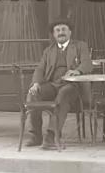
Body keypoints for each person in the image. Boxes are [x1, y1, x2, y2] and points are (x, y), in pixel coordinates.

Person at [26, 18, 93, 150]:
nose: (60, 32)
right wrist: (35, 83)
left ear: (70, 32)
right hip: (53, 85)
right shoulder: (49, 50)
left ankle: (51, 136)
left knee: (63, 94)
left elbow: (87, 63)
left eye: (63, 29)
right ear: (54, 34)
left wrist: (77, 70)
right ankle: (36, 135)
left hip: (73, 86)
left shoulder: (80, 46)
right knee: (33, 93)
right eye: (57, 30)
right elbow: (40, 68)